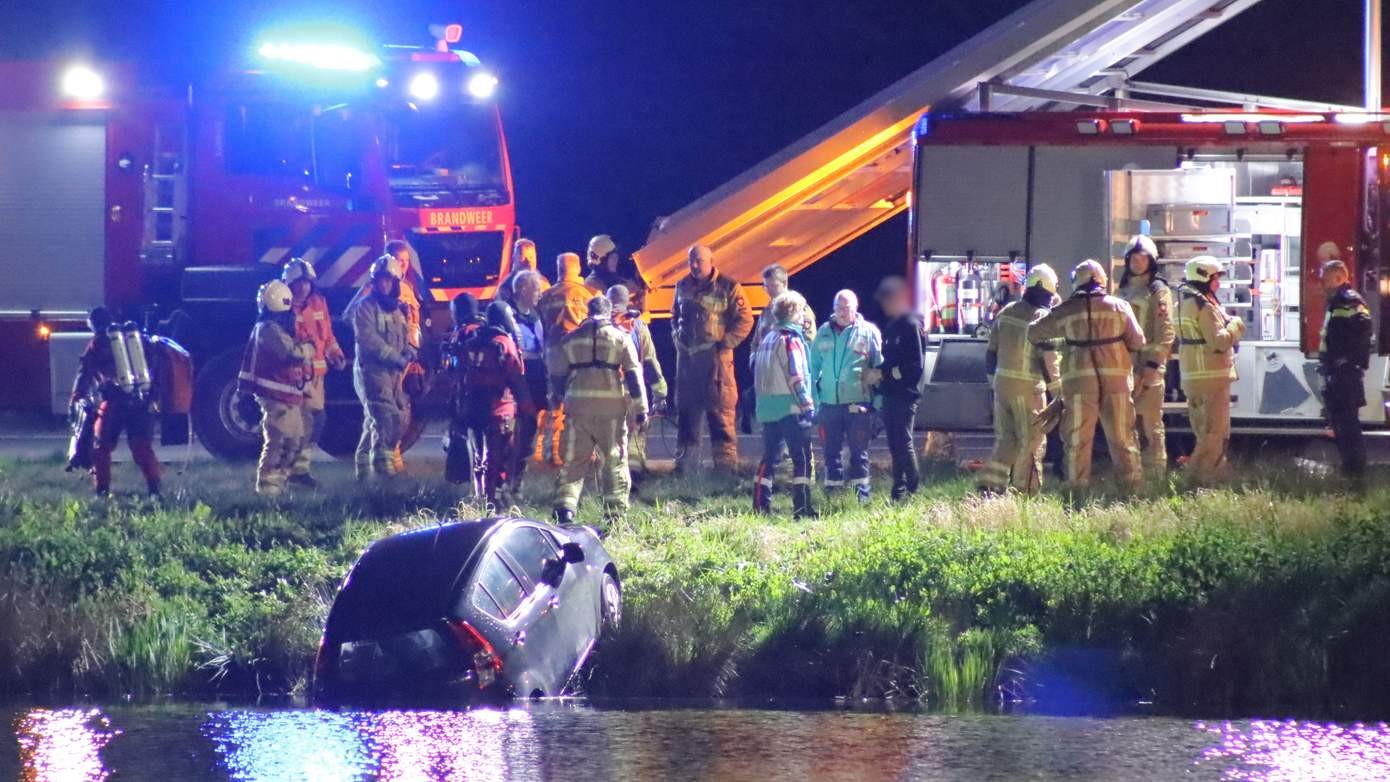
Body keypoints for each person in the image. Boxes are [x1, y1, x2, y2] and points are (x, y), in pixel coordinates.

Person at [1028, 260, 1145, 490]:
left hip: (1078, 383)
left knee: (1077, 440)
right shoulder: (1120, 307)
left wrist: (1062, 342)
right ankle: (1132, 489)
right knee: (1123, 437)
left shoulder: (1066, 309)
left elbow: (1034, 333)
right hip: (1117, 382)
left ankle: (1076, 490)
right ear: (1102, 280)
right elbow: (1138, 341)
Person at [549, 295, 648, 524]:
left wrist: (562, 398)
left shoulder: (570, 339)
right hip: (611, 411)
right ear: (609, 312)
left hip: (577, 410)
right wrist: (641, 408)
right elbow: (634, 375)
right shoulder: (620, 338)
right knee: (614, 459)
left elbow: (557, 375)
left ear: (587, 310)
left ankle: (565, 509)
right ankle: (615, 516)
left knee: (574, 460)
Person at [977, 266, 1061, 493]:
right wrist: (1059, 395)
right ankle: (1025, 493)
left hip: (1001, 387)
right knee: (1032, 442)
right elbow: (1050, 360)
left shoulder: (1006, 311)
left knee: (1006, 440)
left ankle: (990, 487)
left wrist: (993, 384)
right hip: (1029, 390)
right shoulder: (1041, 317)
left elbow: (990, 353)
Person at [671, 244, 754, 474]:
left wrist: (725, 343)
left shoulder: (729, 287)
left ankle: (725, 475)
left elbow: (745, 320)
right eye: (691, 261)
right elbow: (674, 317)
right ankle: (686, 474)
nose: (694, 266)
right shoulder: (682, 286)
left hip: (716, 366)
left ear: (711, 261)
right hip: (688, 366)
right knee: (687, 421)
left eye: (698, 261)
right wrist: (678, 339)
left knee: (721, 420)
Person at [69, 306, 162, 497]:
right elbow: (155, 366)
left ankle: (102, 491)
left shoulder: (98, 343)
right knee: (142, 447)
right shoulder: (138, 339)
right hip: (141, 402)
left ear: (93, 324)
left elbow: (85, 373)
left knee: (101, 448)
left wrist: (76, 398)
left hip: (113, 404)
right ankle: (155, 489)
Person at [1175, 257, 1245, 482]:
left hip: (1192, 377)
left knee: (1204, 432)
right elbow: (1219, 341)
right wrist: (1236, 325)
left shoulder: (1181, 303)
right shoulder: (1204, 306)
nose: (1218, 284)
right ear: (1204, 278)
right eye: (1216, 278)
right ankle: (1196, 479)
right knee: (1215, 434)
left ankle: (1216, 478)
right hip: (1211, 379)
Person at [240, 282, 313, 496]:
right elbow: (292, 353)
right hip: (274, 394)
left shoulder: (276, 327)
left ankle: (280, 481)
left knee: (296, 439)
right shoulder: (268, 329)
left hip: (288, 394)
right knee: (279, 439)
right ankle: (267, 486)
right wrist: (308, 347)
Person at [810, 289, 883, 503]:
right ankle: (832, 497)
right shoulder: (823, 332)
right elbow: (812, 369)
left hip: (857, 405)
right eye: (839, 307)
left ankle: (861, 500)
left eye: (847, 307)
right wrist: (814, 401)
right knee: (831, 453)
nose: (843, 312)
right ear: (834, 309)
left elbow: (878, 368)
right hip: (829, 405)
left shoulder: (868, 332)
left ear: (855, 308)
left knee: (858, 454)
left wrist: (877, 403)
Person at [457, 301, 532, 505]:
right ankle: (495, 502)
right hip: (499, 409)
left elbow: (460, 376)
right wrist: (526, 406)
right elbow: (515, 376)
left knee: (479, 457)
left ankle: (478, 498)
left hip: (473, 408)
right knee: (499, 458)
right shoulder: (504, 343)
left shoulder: (472, 342)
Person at [349, 255, 415, 480]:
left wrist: (408, 351)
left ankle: (364, 469)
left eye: (389, 281)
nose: (384, 285)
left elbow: (404, 336)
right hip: (372, 371)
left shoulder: (398, 310)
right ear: (374, 282)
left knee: (380, 419)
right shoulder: (364, 307)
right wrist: (396, 357)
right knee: (385, 417)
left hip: (393, 373)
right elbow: (368, 339)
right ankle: (382, 469)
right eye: (381, 280)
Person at [282, 258, 346, 488]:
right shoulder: (283, 306)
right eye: (298, 283)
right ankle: (287, 470)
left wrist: (335, 353)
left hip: (316, 377)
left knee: (316, 421)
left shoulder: (318, 303)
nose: (303, 287)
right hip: (293, 378)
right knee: (293, 426)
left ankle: (300, 469)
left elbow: (327, 335)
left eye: (307, 283)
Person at [752, 290, 817, 518]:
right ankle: (802, 508)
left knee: (768, 459)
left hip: (768, 409)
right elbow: (796, 376)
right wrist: (807, 405)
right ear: (792, 313)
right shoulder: (790, 340)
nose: (803, 316)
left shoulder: (767, 340)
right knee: (802, 459)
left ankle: (760, 507)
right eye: (800, 311)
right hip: (790, 408)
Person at [1115, 236, 1175, 478]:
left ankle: (1155, 476)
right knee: (1127, 425)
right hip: (1124, 368)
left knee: (1150, 424)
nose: (1138, 263)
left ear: (1151, 262)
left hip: (1148, 368)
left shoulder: (1158, 292)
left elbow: (1166, 333)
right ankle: (1132, 475)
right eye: (1134, 258)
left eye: (1143, 259)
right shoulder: (1121, 292)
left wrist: (1152, 366)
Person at [536, 252, 593, 466]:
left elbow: (540, 324)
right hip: (578, 353)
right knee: (580, 402)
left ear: (559, 269)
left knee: (555, 403)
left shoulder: (546, 296)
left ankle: (551, 451)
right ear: (577, 269)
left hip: (554, 354)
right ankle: (581, 451)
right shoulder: (586, 294)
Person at [1319, 259, 1372, 484]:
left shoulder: (1349, 301)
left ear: (1340, 277)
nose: (1322, 282)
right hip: (1337, 373)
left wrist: (1345, 361)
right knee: (1340, 423)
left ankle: (1355, 472)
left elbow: (1363, 331)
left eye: (1326, 278)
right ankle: (1349, 471)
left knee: (1348, 424)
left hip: (1345, 374)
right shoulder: (1336, 302)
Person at [608, 284, 668, 479]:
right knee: (635, 432)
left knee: (611, 436)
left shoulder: (600, 325)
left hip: (606, 390)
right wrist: (660, 393)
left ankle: (613, 477)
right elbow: (650, 361)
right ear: (628, 301)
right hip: (634, 388)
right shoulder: (638, 326)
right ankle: (634, 474)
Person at [875, 276, 925, 499]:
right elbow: (888, 360)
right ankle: (898, 489)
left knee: (904, 442)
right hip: (890, 393)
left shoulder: (910, 324)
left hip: (905, 394)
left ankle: (913, 488)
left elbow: (915, 365)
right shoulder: (892, 326)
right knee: (894, 442)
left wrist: (885, 374)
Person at [442, 292, 487, 490]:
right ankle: (489, 487)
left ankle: (476, 489)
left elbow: (451, 366)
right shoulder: (487, 329)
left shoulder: (461, 333)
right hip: (490, 393)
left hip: (467, 394)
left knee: (468, 440)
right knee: (485, 443)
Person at [510, 270, 549, 492]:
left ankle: (518, 479)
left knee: (530, 426)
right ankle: (506, 479)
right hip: (516, 374)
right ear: (523, 289)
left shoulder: (535, 315)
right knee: (514, 428)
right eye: (536, 289)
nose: (539, 294)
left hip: (534, 372)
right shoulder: (508, 313)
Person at [753, 264, 816, 347]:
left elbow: (810, 340)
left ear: (785, 283)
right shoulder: (767, 311)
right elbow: (757, 341)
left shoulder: (799, 308)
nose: (769, 291)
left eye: (773, 286)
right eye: (766, 287)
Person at [585, 234, 648, 313]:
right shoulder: (591, 286)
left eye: (616, 256)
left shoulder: (613, 279)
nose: (616, 260)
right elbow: (614, 299)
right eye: (612, 257)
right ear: (601, 259)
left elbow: (630, 288)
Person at [497, 238, 550, 307]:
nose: (528, 262)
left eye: (531, 257)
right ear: (514, 259)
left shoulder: (544, 282)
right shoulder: (506, 287)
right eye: (522, 258)